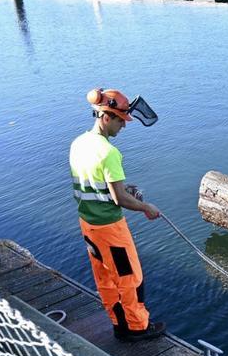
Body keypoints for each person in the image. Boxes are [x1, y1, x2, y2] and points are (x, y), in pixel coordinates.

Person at [69, 87, 166, 343]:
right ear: (106, 117)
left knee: (105, 277)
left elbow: (95, 184)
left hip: (88, 224)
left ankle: (118, 323)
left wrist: (124, 189)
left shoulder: (79, 143)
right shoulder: (109, 152)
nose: (124, 126)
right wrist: (146, 207)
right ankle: (137, 328)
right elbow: (119, 198)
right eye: (121, 121)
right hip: (110, 229)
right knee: (130, 278)